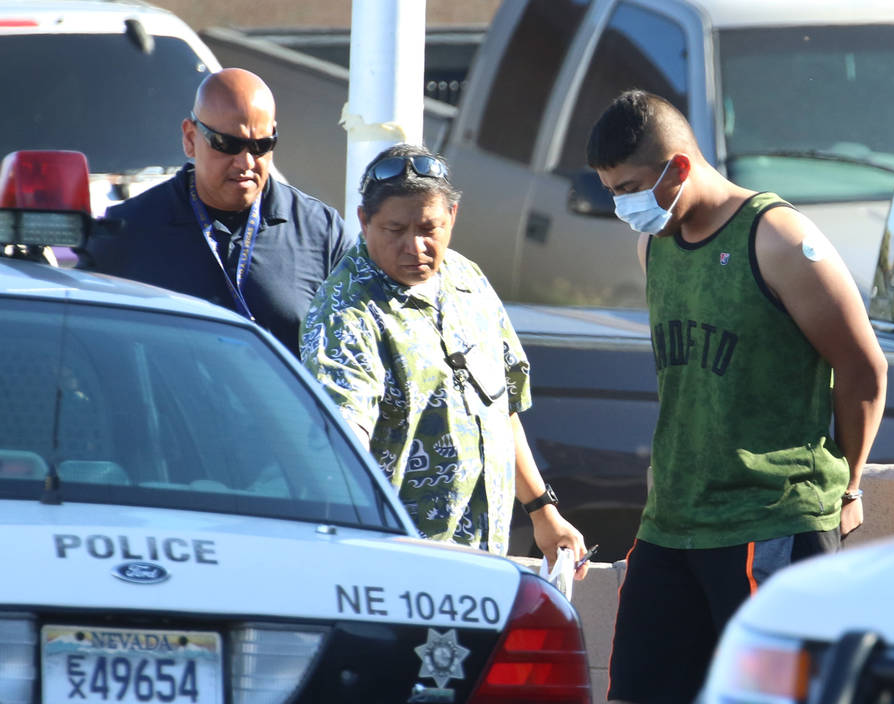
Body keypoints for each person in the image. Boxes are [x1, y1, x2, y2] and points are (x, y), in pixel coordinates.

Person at [586, 90, 888, 704]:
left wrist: (845, 487)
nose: (623, 206)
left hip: (770, 522)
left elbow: (865, 369)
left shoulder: (779, 240)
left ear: (678, 167)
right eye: (610, 192)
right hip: (675, 523)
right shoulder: (653, 241)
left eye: (631, 189)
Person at [301, 143, 588, 565]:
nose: (414, 246)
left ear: (452, 218)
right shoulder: (346, 312)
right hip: (399, 564)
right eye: (395, 230)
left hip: (485, 558)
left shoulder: (466, 280)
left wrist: (544, 511)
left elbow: (502, 407)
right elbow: (341, 449)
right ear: (364, 222)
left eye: (428, 228)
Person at [81, 68, 352, 357]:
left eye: (261, 146)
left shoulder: (321, 232)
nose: (245, 162)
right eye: (228, 144)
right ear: (190, 138)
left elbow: (360, 345)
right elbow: (80, 347)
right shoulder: (126, 231)